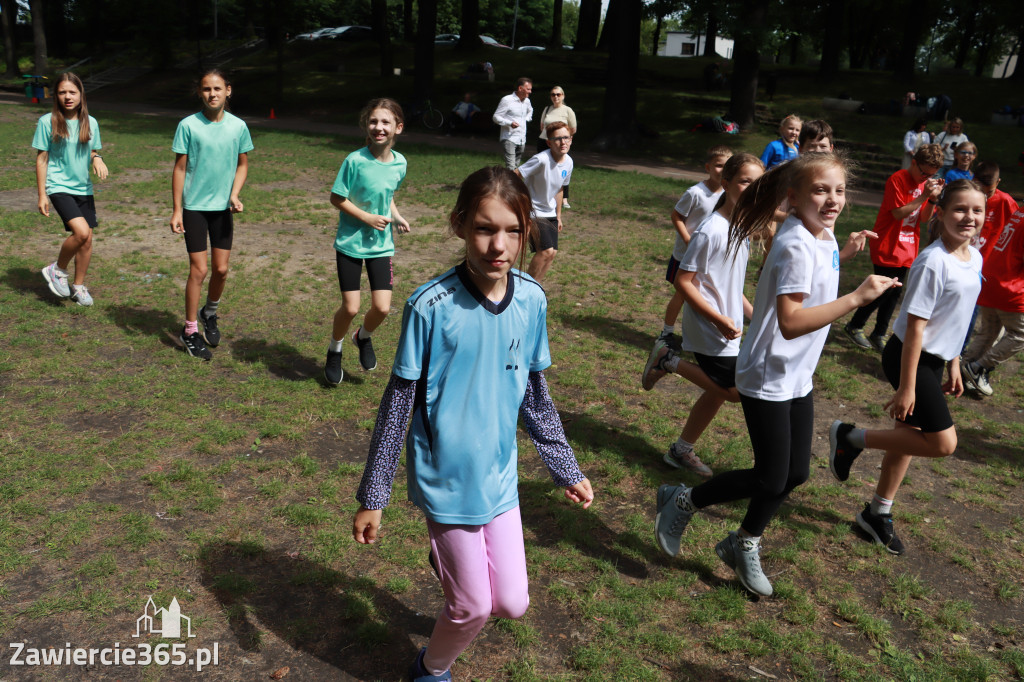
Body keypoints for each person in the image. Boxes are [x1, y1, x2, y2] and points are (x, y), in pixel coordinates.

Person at [351, 166, 594, 682]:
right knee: (472, 609)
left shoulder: (532, 299)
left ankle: (449, 564)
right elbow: (398, 405)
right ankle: (430, 668)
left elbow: (535, 394)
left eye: (512, 230)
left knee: (512, 603)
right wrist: (375, 495)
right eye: (485, 228)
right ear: (460, 224)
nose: (498, 245)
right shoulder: (428, 306)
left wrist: (565, 467)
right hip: (447, 481)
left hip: (500, 475)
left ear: (527, 230)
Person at [653, 153, 893, 596]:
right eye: (820, 190)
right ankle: (681, 501)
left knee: (795, 473)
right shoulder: (795, 242)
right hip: (768, 373)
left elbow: (815, 279)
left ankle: (741, 542)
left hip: (796, 373)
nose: (832, 199)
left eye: (839, 190)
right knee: (769, 477)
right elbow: (791, 321)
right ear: (793, 196)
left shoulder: (821, 236)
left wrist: (845, 251)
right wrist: (858, 298)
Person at [828, 180, 984, 555]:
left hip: (935, 358)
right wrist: (907, 387)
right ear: (941, 212)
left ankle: (877, 513)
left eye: (976, 210)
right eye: (960, 209)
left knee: (909, 439)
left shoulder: (974, 256)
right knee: (944, 443)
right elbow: (915, 327)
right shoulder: (933, 261)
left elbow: (958, 319)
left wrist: (954, 363)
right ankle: (851, 437)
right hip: (907, 356)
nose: (969, 218)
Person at [641, 153, 764, 477]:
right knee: (737, 392)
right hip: (711, 329)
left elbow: (730, 286)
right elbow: (684, 281)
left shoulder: (740, 227)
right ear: (726, 184)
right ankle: (668, 359)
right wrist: (719, 320)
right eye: (745, 182)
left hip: (728, 326)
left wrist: (758, 316)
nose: (752, 189)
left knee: (718, 391)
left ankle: (681, 450)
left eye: (758, 184)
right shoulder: (711, 230)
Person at [323, 98, 411, 385]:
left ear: (398, 127)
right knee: (350, 307)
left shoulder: (400, 163)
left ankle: (363, 336)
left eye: (386, 122)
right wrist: (366, 217)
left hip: (380, 245)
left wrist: (395, 216)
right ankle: (335, 349)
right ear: (367, 125)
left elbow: (387, 195)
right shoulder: (355, 160)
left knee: (383, 308)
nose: (379, 127)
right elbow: (337, 198)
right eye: (374, 121)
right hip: (350, 242)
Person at [169, 69, 253, 360]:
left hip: (222, 209)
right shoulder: (188, 125)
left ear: (228, 90)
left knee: (221, 270)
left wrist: (234, 193)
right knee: (199, 270)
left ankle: (210, 312)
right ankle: (190, 330)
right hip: (194, 207)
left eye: (217, 88)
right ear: (199, 93)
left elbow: (243, 165)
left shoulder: (238, 126)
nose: (212, 94)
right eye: (206, 89)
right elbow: (180, 168)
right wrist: (177, 208)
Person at [844, 144, 944, 352]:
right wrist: (923, 196)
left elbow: (924, 219)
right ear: (913, 162)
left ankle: (879, 333)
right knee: (882, 291)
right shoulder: (897, 179)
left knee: (894, 293)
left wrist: (932, 199)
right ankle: (855, 325)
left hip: (907, 247)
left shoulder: (923, 186)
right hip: (888, 243)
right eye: (923, 172)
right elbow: (898, 213)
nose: (925, 178)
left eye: (930, 176)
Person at [36, 72, 108, 306]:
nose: (68, 97)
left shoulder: (91, 122)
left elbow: (94, 150)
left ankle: (78, 286)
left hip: (83, 188)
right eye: (62, 92)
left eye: (72, 92)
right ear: (55, 95)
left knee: (87, 241)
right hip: (58, 186)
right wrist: (42, 194)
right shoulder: (47, 121)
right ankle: (57, 269)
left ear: (80, 94)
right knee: (81, 232)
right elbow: (42, 159)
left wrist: (97, 158)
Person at [654, 146, 732, 349]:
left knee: (704, 296)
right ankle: (666, 333)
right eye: (718, 165)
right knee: (682, 295)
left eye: (727, 166)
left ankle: (698, 337)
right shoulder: (695, 193)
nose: (722, 170)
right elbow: (676, 216)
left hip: (710, 257)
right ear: (708, 167)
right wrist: (688, 239)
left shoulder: (728, 194)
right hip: (686, 256)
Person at [961, 203, 1024, 397]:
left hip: (992, 278)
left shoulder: (1021, 210)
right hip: (1010, 284)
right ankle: (979, 367)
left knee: (988, 332)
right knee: (1020, 334)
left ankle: (962, 373)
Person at [958, 161, 1017, 354]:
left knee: (971, 312)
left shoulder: (1006, 202)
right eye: (980, 190)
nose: (984, 196)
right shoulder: (967, 196)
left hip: (984, 269)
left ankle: (960, 353)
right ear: (973, 179)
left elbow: (1015, 231)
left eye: (988, 192)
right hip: (960, 260)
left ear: (998, 183)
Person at [516, 121, 573, 282]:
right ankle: (526, 285)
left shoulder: (569, 162)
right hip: (533, 211)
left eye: (566, 138)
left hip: (550, 211)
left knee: (552, 252)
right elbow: (515, 174)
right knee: (546, 251)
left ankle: (536, 286)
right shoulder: (541, 160)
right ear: (549, 142)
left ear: (571, 139)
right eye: (557, 139)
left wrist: (559, 215)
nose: (563, 142)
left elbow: (560, 189)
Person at [536, 86, 577, 208]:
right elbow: (542, 126)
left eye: (558, 94)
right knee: (544, 169)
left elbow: (573, 129)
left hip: (560, 144)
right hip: (545, 141)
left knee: (562, 169)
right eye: (553, 94)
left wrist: (563, 139)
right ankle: (545, 195)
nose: (556, 97)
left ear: (563, 96)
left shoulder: (567, 110)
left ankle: (564, 198)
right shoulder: (547, 109)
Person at [492, 78, 533, 170]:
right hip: (509, 138)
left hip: (522, 138)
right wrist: (509, 123)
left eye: (531, 89)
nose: (530, 91)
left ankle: (505, 182)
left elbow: (530, 110)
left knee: (515, 167)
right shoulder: (507, 100)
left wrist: (527, 118)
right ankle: (509, 183)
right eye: (528, 89)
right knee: (510, 167)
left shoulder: (527, 101)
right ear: (520, 88)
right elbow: (496, 117)